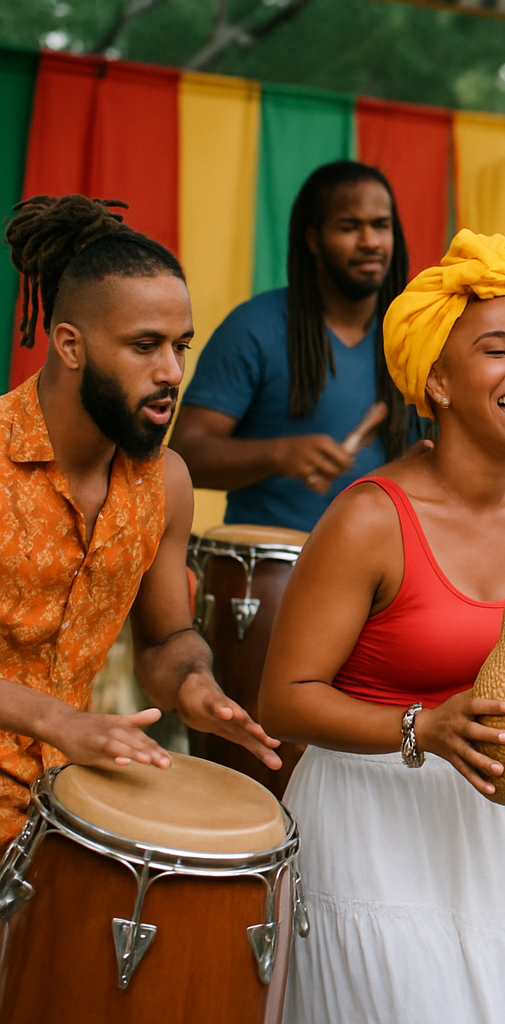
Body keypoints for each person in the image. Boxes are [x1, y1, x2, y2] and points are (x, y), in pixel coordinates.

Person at [258, 230, 505, 1024]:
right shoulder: (370, 518)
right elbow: (283, 699)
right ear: (435, 381)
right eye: (496, 349)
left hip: (481, 831)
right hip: (365, 821)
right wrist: (422, 726)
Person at [0, 194, 281, 847]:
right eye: (144, 346)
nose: (173, 372)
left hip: (57, 810)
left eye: (180, 345)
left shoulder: (166, 483)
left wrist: (194, 685)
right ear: (70, 345)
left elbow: (163, 640)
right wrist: (54, 719)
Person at [171, 160, 422, 533]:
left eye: (381, 226)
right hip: (274, 575)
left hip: (385, 568)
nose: (369, 241)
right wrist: (277, 453)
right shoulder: (254, 328)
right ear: (312, 239)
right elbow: (184, 455)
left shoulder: (414, 339)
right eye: (349, 226)